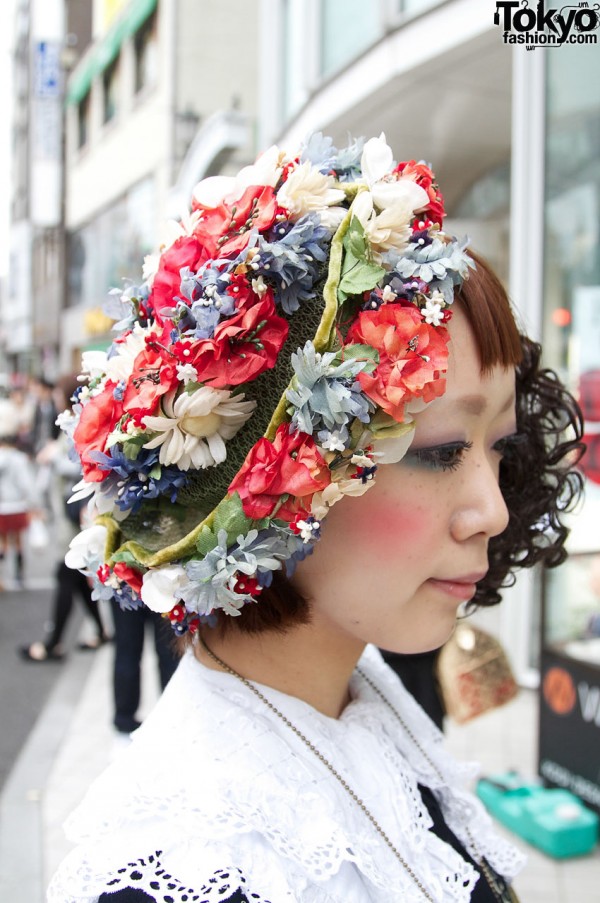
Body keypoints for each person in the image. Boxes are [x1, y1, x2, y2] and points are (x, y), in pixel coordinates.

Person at [48, 134, 583, 902]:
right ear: (260, 474)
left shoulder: (355, 698)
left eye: (499, 446)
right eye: (437, 451)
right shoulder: (192, 865)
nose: (492, 509)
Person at [19, 374, 109, 661]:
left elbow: (84, 463)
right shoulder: (71, 422)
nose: (56, 397)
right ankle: (100, 630)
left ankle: (53, 642)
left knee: (66, 576)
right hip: (70, 515)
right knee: (78, 580)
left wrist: (52, 458)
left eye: (60, 392)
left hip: (75, 519)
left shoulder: (80, 424)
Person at [0, 433, 36, 586]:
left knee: (3, 542)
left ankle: (1, 576)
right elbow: (26, 484)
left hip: (2, 505)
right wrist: (33, 503)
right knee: (18, 541)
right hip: (18, 505)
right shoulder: (20, 459)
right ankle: (19, 575)